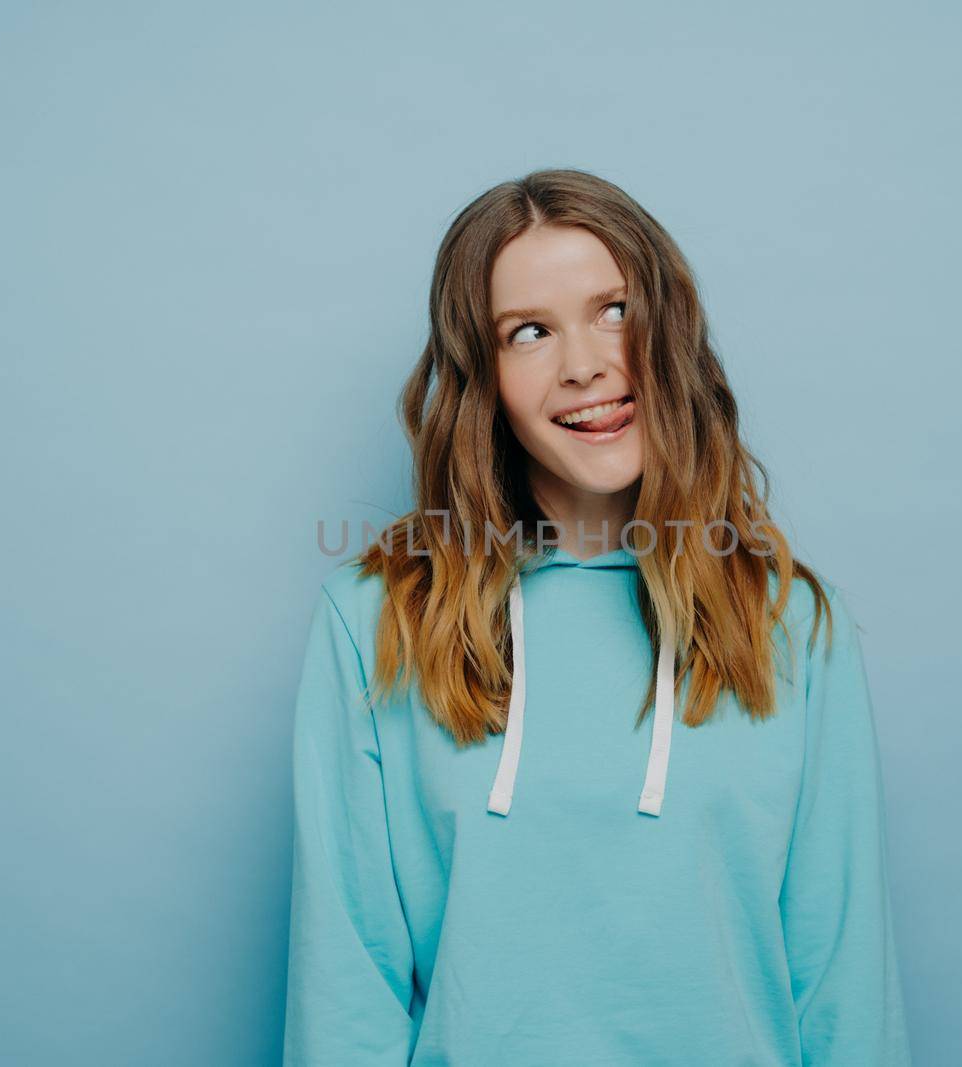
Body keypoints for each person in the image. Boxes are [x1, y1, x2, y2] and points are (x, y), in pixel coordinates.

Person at [282, 168, 912, 1065]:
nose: (584, 363)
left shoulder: (792, 622)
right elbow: (345, 990)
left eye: (614, 310)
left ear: (671, 330)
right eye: (529, 332)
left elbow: (845, 987)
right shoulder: (375, 620)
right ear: (483, 379)